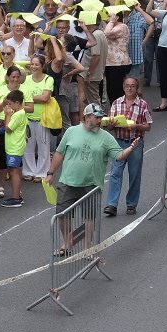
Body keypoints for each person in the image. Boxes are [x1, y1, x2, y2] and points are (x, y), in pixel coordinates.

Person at [48, 104, 136, 256]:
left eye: (101, 117)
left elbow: (119, 155)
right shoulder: (71, 131)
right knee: (63, 215)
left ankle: (87, 248)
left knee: (89, 217)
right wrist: (50, 172)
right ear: (86, 117)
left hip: (92, 185)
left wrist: (130, 148)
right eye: (96, 117)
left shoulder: (106, 137)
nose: (99, 120)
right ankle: (68, 243)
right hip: (67, 182)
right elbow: (59, 153)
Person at [102, 75, 152, 218]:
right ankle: (112, 204)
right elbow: (109, 125)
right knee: (115, 173)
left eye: (132, 86)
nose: (129, 88)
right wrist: (111, 124)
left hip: (135, 142)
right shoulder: (116, 103)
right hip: (119, 142)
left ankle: (131, 204)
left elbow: (148, 126)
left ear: (137, 88)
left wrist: (136, 126)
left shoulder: (143, 105)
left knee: (134, 174)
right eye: (127, 86)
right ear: (123, 87)